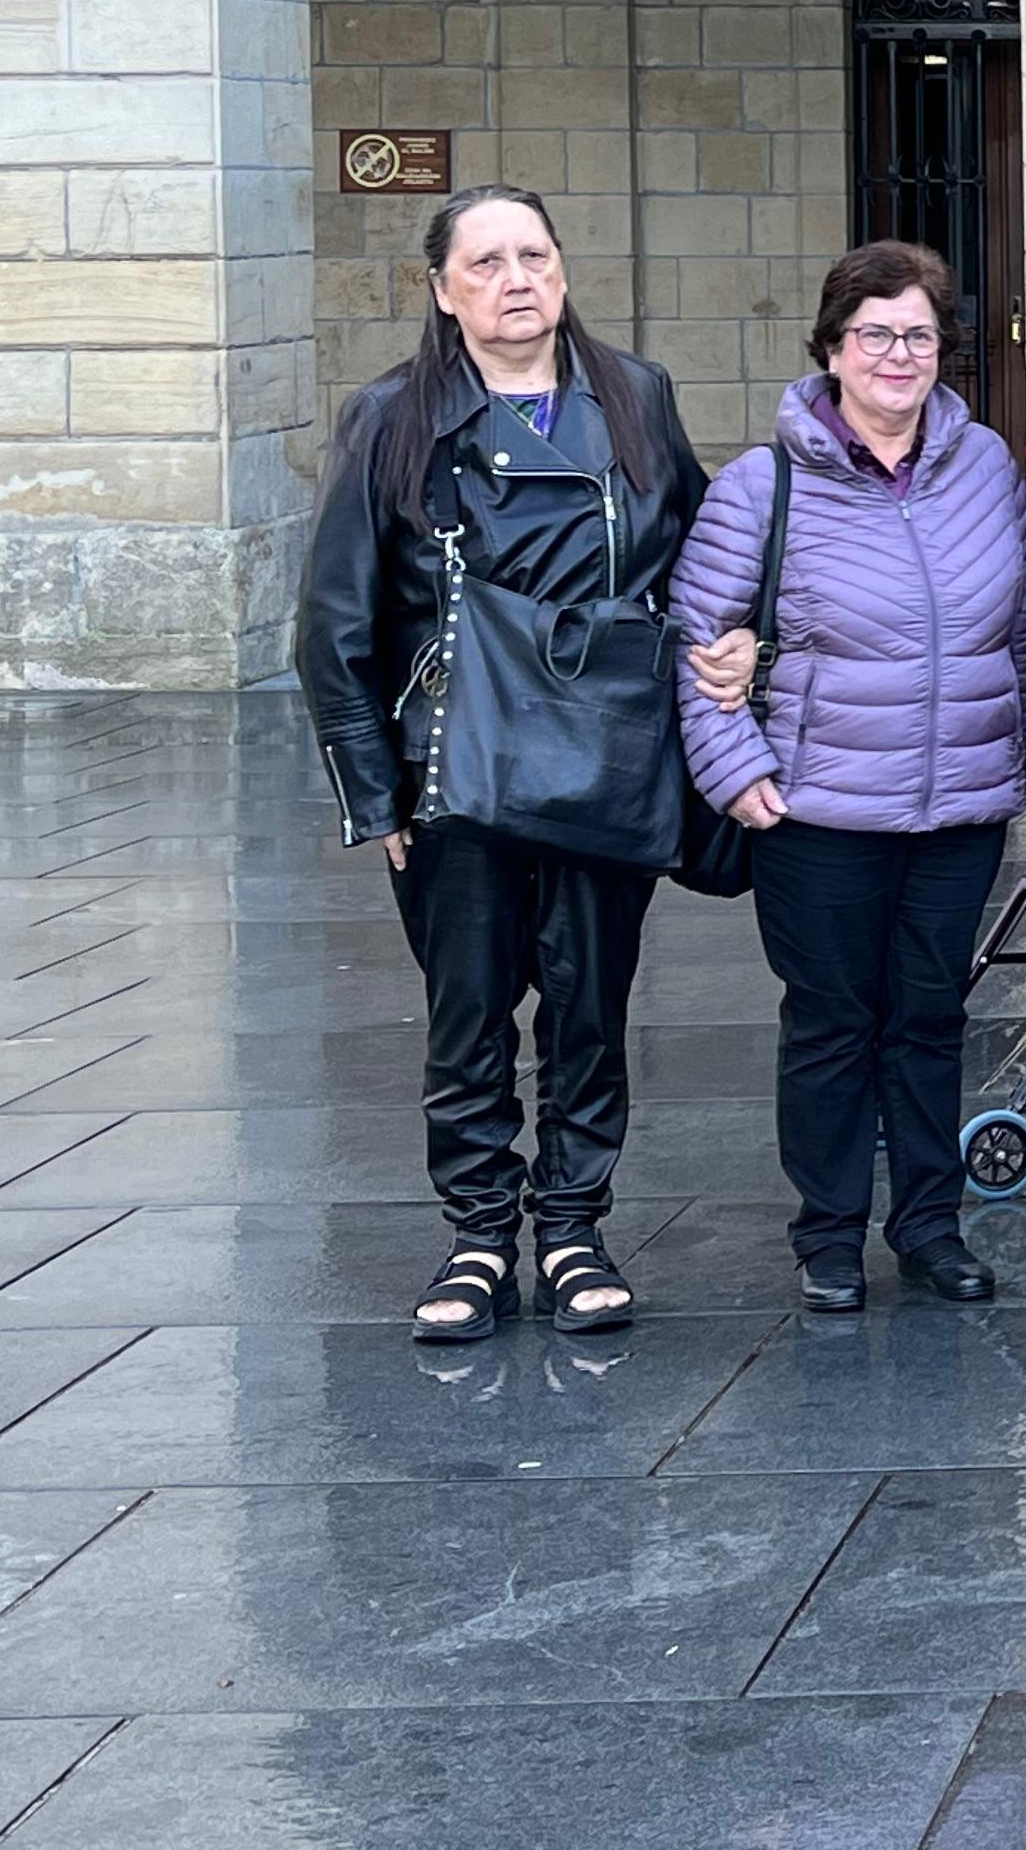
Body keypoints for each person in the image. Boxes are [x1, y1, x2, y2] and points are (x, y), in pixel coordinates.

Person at [300, 184, 707, 1344]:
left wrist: (729, 646)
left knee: (590, 1004)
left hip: (604, 751)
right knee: (467, 1011)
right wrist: (371, 794)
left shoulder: (635, 396)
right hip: (455, 762)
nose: (515, 279)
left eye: (533, 254)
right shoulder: (389, 419)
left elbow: (695, 546)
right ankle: (479, 1232)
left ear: (564, 271)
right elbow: (333, 622)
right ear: (443, 291)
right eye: (485, 263)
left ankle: (575, 1227)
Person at [667, 242, 1026, 1314]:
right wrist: (736, 768)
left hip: (957, 809)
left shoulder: (986, 470)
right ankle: (828, 1233)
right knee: (834, 1020)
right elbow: (700, 638)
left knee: (931, 1018)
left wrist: (1014, 758)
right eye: (874, 333)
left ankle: (928, 1223)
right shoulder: (763, 485)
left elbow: (1023, 631)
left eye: (918, 334)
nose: (898, 353)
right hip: (818, 810)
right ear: (832, 348)